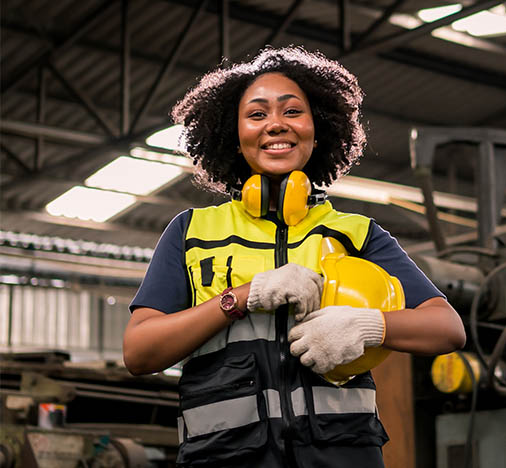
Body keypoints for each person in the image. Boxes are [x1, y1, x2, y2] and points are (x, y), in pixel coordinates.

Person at [123, 47, 466, 468]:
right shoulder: (192, 231)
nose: (276, 125)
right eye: (257, 114)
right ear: (234, 135)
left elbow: (447, 328)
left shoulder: (357, 233)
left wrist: (368, 324)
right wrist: (242, 298)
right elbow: (139, 352)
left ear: (316, 131)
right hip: (226, 459)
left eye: (292, 111)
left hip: (342, 455)